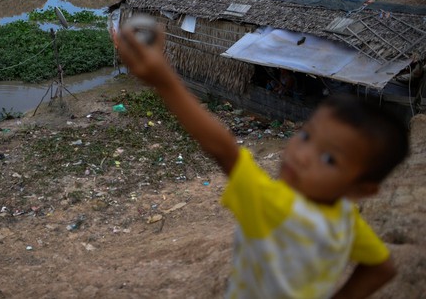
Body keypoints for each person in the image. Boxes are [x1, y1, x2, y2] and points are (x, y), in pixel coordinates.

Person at [115, 24, 409, 298]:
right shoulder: (345, 218)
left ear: (361, 188)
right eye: (307, 137)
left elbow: (224, 149)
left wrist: (165, 81)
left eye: (329, 158)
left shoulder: (278, 210)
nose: (302, 156)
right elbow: (382, 268)